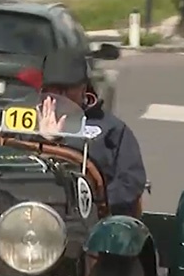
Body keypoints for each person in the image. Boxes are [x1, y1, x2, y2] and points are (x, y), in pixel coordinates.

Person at [40, 50, 147, 216]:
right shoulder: (25, 123)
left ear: (83, 89)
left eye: (68, 89)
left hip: (95, 215)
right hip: (36, 213)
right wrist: (45, 140)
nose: (62, 96)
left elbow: (131, 180)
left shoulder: (112, 128)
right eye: (55, 90)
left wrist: (96, 201)